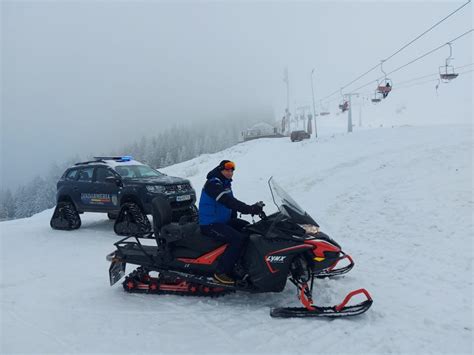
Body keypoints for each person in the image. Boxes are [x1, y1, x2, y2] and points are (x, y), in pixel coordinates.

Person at [199, 160, 264, 285]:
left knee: (248, 228)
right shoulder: (213, 184)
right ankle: (221, 272)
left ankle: (244, 263)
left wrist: (236, 215)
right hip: (209, 224)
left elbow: (231, 203)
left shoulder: (225, 183)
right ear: (220, 170)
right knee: (237, 239)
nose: (230, 173)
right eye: (227, 170)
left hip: (223, 221)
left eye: (232, 171)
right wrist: (249, 209)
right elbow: (227, 201)